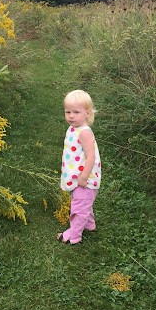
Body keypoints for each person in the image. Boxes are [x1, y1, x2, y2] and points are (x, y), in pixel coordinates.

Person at [57, 89, 101, 245]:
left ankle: (75, 235)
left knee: (79, 208)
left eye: (76, 112)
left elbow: (91, 157)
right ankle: (89, 225)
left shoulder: (85, 133)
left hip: (85, 179)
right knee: (82, 202)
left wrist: (83, 177)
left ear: (87, 113)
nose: (71, 116)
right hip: (78, 176)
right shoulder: (73, 129)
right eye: (67, 111)